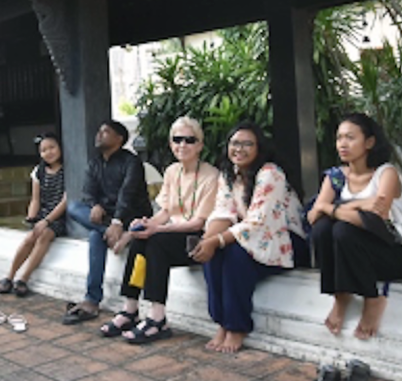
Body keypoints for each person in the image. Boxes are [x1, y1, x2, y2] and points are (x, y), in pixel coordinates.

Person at [99, 116, 220, 344]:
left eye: (189, 140)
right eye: (177, 139)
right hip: (173, 233)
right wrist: (147, 224)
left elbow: (198, 223)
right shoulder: (172, 171)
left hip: (197, 239)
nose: (182, 145)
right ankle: (130, 309)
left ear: (200, 145)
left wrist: (158, 230)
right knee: (140, 238)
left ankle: (157, 318)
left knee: (155, 242)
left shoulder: (211, 175)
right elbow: (165, 212)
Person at [191, 122, 309, 354]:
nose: (239, 149)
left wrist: (216, 241)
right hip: (254, 238)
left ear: (259, 148)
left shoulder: (270, 173)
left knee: (234, 255)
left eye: (247, 144)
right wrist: (207, 242)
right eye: (235, 143)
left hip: (286, 242)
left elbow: (258, 222)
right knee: (214, 254)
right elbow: (223, 212)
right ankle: (222, 322)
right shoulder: (230, 173)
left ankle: (237, 326)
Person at [306, 113, 402, 340]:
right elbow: (313, 216)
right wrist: (359, 205)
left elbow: (376, 217)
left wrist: (332, 208)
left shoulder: (386, 173)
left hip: (393, 255)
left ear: (369, 142)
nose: (342, 144)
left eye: (350, 137)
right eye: (339, 138)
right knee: (323, 228)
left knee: (343, 228)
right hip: (355, 256)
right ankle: (340, 296)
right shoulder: (336, 176)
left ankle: (372, 299)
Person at [63, 119, 154, 325]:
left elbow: (127, 194)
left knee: (96, 236)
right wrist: (95, 205)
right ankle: (110, 234)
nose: (99, 134)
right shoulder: (94, 163)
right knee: (74, 208)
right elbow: (88, 192)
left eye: (105, 131)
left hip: (132, 217)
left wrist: (118, 221)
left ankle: (92, 300)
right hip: (106, 218)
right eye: (99, 131)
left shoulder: (131, 162)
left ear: (119, 139)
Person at [0, 132, 67, 297]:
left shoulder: (67, 170)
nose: (48, 152)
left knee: (44, 236)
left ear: (60, 147)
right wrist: (32, 219)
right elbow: (35, 200)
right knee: (30, 238)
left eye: (52, 147)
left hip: (60, 217)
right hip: (43, 215)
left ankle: (24, 279)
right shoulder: (38, 171)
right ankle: (9, 276)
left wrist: (47, 221)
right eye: (43, 150)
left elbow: (65, 201)